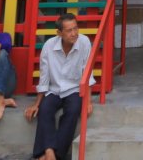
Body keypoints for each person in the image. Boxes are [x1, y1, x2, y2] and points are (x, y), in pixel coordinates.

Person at [26, 13, 95, 160]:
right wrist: (36, 103)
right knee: (44, 110)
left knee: (73, 111)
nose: (74, 33)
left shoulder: (84, 42)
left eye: (76, 28)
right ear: (59, 33)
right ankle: (49, 151)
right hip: (54, 90)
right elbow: (44, 77)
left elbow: (87, 73)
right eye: (69, 30)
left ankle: (50, 155)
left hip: (74, 89)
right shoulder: (49, 46)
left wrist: (88, 101)